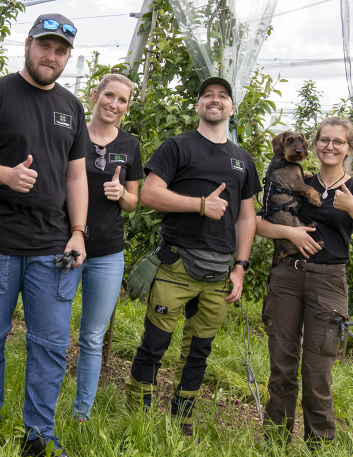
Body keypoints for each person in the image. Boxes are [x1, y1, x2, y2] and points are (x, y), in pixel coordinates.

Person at [0, 13, 90, 457]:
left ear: (67, 57)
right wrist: (5, 175)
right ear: (28, 44)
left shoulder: (72, 108)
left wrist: (78, 231)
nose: (51, 56)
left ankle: (38, 432)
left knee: (52, 343)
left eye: (60, 51)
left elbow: (77, 178)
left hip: (51, 247)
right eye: (45, 46)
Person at [124, 76, 260, 437]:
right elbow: (149, 195)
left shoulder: (243, 160)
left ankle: (182, 416)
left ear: (232, 109)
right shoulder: (177, 146)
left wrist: (241, 268)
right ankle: (139, 409)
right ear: (198, 106)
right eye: (207, 96)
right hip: (177, 264)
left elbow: (247, 218)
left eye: (222, 96)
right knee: (155, 343)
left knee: (199, 350)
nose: (214, 100)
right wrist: (201, 205)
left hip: (219, 271)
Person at [255, 116, 353, 449]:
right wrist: (290, 232)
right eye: (324, 140)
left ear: (348, 148)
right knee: (282, 365)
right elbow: (258, 224)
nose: (330, 146)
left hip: (328, 283)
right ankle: (275, 443)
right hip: (288, 275)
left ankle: (319, 447)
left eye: (338, 142)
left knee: (317, 371)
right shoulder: (301, 180)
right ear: (314, 144)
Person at [72, 74, 143, 421]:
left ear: (127, 107)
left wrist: (122, 195)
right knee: (53, 332)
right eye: (109, 95)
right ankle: (41, 402)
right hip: (67, 244)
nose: (114, 104)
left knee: (92, 338)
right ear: (95, 94)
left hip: (108, 253)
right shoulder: (71, 132)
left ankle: (81, 414)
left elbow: (134, 202)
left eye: (122, 100)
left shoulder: (131, 144)